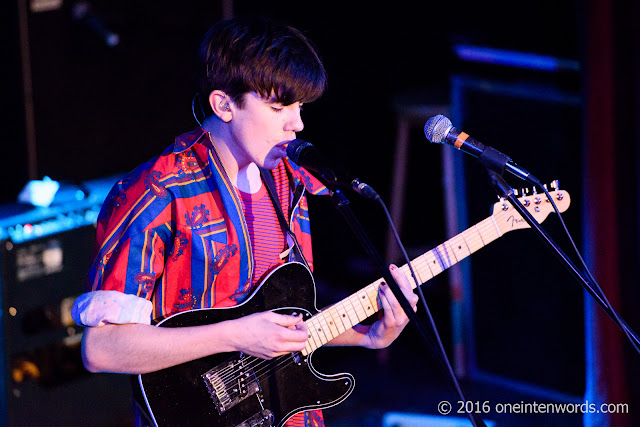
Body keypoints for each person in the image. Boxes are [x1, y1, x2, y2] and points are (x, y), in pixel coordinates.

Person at [71, 16, 418, 426]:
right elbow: (102, 349)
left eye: (300, 107)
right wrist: (235, 333)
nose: (298, 124)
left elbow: (287, 321)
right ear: (223, 105)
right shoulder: (155, 192)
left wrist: (369, 337)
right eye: (278, 107)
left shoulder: (290, 181)